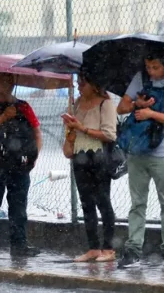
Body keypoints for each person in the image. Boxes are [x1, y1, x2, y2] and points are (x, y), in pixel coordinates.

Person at [116, 53, 164, 269]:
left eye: (155, 66)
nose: (151, 71)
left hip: (162, 154)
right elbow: (121, 107)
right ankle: (133, 250)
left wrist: (151, 114)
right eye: (148, 66)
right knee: (137, 203)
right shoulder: (140, 79)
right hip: (136, 151)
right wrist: (136, 105)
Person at [0, 72, 43, 259]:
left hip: (20, 166)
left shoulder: (24, 106)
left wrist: (33, 157)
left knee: (19, 207)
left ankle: (19, 244)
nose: (5, 85)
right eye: (1, 80)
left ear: (14, 83)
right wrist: (4, 117)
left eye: (9, 81)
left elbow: (37, 133)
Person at [62, 71, 117, 263]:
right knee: (86, 203)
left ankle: (108, 248)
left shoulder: (105, 103)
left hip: (98, 157)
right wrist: (70, 128)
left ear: (94, 84)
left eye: (83, 83)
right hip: (79, 156)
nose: (79, 86)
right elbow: (73, 133)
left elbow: (109, 134)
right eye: (78, 82)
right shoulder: (77, 103)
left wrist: (82, 128)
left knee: (103, 200)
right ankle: (93, 247)